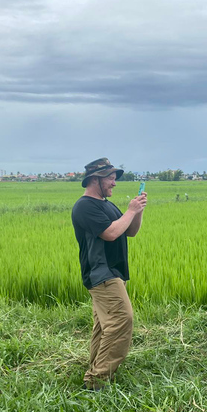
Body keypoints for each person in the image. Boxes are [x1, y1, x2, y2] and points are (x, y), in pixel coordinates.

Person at [71, 158, 148, 390]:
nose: (114, 182)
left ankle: (96, 370)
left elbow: (130, 231)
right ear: (95, 179)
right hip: (102, 273)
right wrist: (130, 210)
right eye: (111, 177)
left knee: (104, 325)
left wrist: (138, 211)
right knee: (122, 320)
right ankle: (97, 380)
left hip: (114, 273)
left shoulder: (107, 205)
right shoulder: (85, 206)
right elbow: (111, 233)